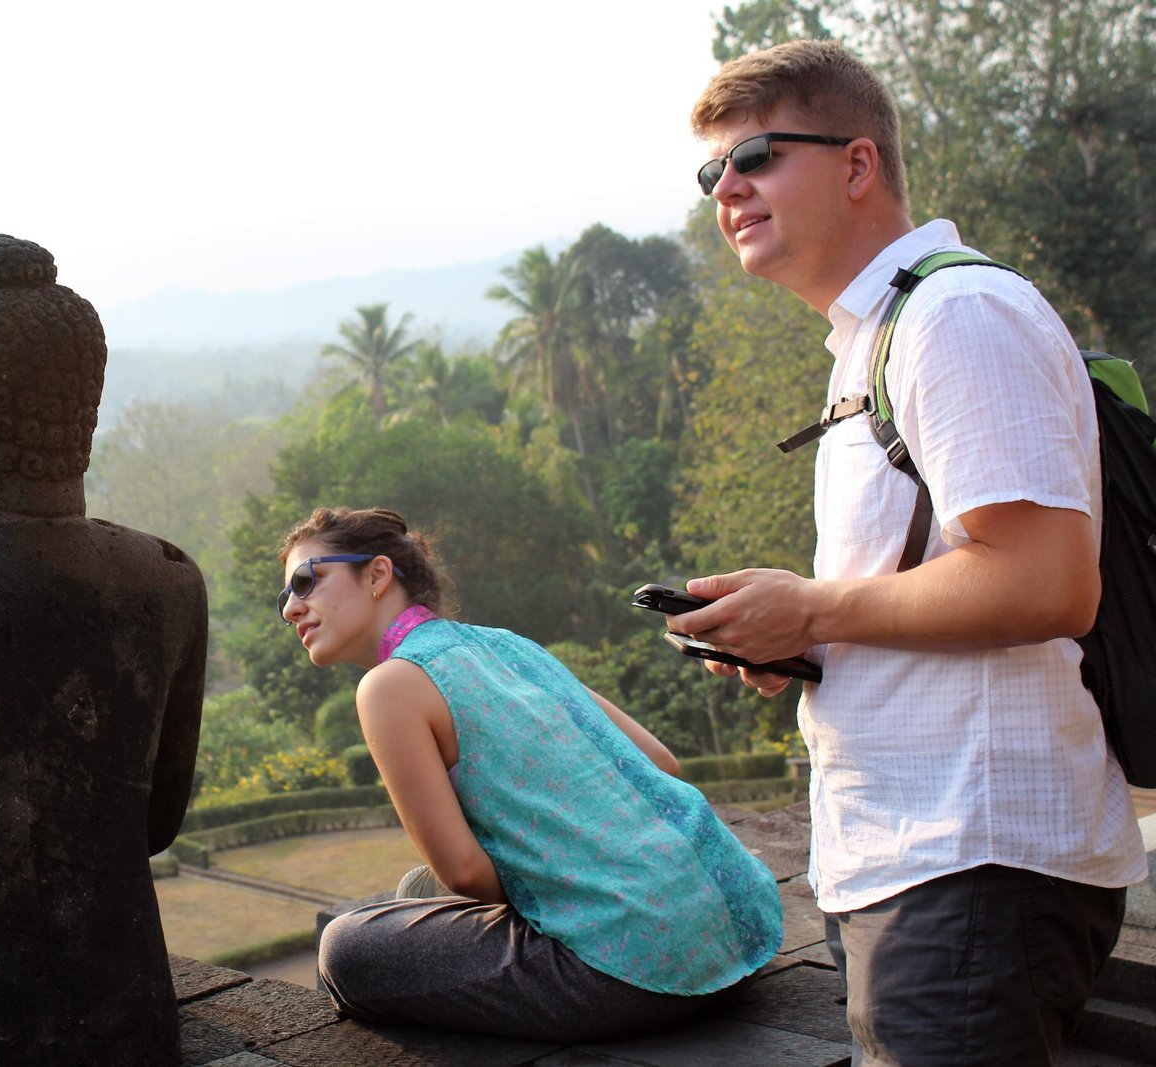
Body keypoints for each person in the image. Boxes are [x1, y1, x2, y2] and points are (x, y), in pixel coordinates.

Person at [685, 41, 1146, 1065]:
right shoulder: (879, 333)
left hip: (974, 854)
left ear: (857, 164)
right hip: (916, 854)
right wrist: (797, 635)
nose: (728, 188)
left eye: (755, 155)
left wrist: (812, 607)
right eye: (712, 170)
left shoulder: (957, 315)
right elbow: (936, 581)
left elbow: (1045, 580)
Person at [279, 505, 782, 1043]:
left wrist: (561, 886)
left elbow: (465, 874)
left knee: (346, 948)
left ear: (377, 574)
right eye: (284, 596)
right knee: (417, 889)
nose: (291, 608)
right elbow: (658, 761)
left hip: (640, 968)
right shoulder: (506, 643)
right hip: (740, 924)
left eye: (306, 581)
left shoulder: (388, 687)